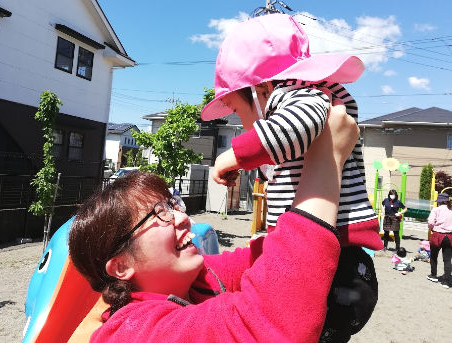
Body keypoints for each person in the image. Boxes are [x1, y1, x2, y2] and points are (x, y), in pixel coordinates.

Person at [68, 108, 371, 342]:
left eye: (173, 204)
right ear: (121, 267)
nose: (182, 217)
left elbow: (275, 258)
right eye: (159, 213)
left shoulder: (201, 277)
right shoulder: (133, 332)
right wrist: (326, 161)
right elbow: (267, 329)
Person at [200, 13, 381, 342]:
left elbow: (299, 125)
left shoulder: (300, 95)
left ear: (262, 89)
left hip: (338, 267)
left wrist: (234, 155)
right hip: (340, 264)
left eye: (239, 111)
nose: (244, 125)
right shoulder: (303, 95)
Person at [427, 193, 452, 288]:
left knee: (433, 256)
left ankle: (433, 275)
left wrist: (431, 228)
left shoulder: (436, 210)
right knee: (447, 260)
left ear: (440, 202)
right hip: (450, 236)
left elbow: (430, 222)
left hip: (438, 234)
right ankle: (446, 281)